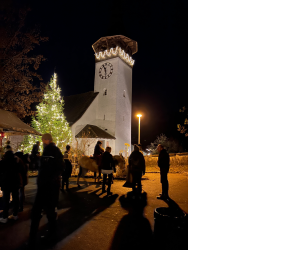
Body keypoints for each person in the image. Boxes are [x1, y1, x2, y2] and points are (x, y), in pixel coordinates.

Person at [28, 133, 65, 248]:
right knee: (49, 212)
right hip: (50, 186)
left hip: (47, 186)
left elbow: (56, 168)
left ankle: (34, 238)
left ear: (47, 140)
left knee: (41, 211)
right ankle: (50, 235)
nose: (42, 142)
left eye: (43, 140)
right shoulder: (52, 151)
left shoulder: (51, 151)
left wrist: (50, 177)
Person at [0, 146, 24, 223]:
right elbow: (22, 169)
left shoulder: (3, 160)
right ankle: (15, 214)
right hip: (15, 182)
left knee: (5, 200)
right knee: (16, 199)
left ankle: (4, 217)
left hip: (6, 182)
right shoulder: (17, 159)